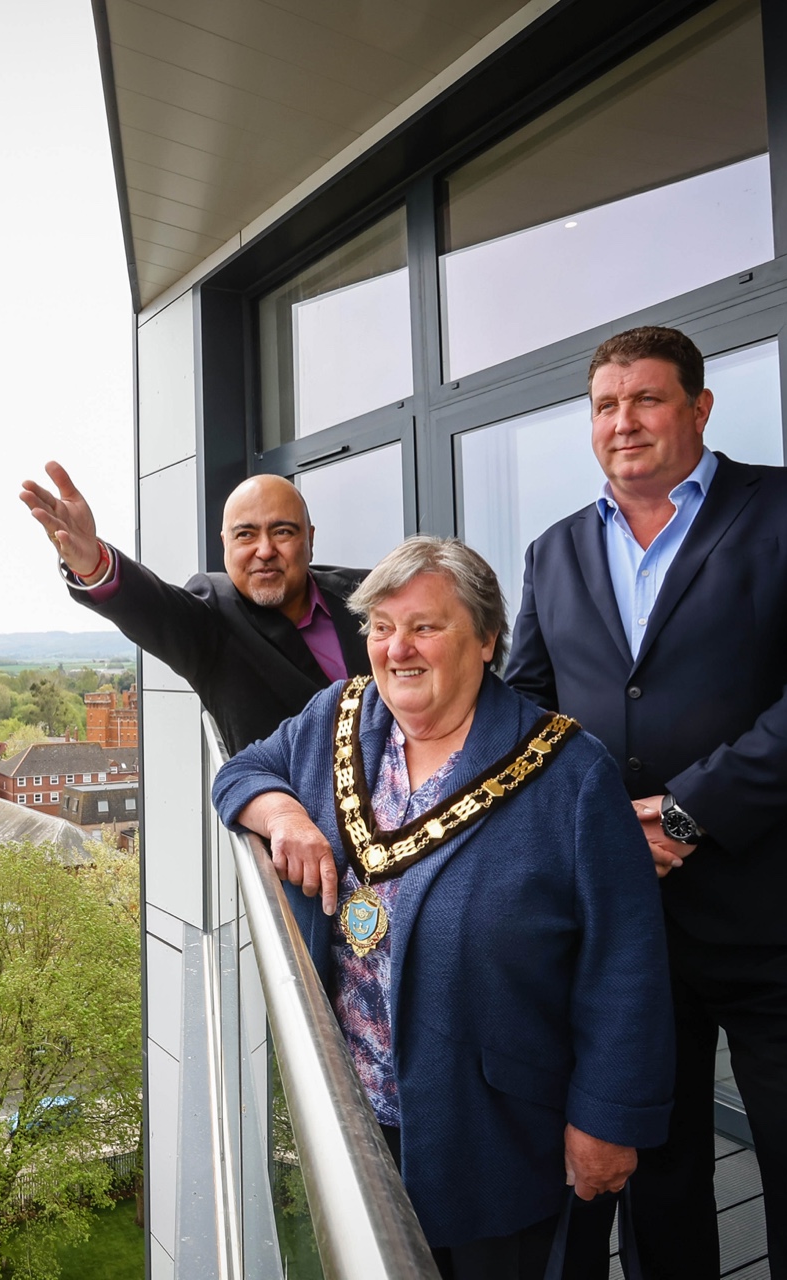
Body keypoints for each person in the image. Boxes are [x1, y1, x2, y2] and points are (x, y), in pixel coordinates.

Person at [504, 325, 787, 1280]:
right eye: (606, 405)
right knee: (658, 1183)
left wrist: (689, 812)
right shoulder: (554, 550)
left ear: (699, 408)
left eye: (646, 399)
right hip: (633, 932)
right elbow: (526, 711)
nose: (623, 422)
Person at [212, 536, 674, 1278]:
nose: (398, 649)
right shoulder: (339, 715)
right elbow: (243, 769)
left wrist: (608, 1123)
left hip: (496, 1135)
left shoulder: (570, 772)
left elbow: (627, 968)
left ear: (488, 640)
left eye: (426, 627)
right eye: (382, 628)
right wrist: (286, 818)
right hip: (357, 1122)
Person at [19, 461, 369, 753]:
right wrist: (94, 563)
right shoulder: (214, 615)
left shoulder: (370, 594)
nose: (264, 550)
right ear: (225, 544)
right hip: (300, 825)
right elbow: (153, 607)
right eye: (245, 535)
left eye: (282, 532)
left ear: (310, 539)